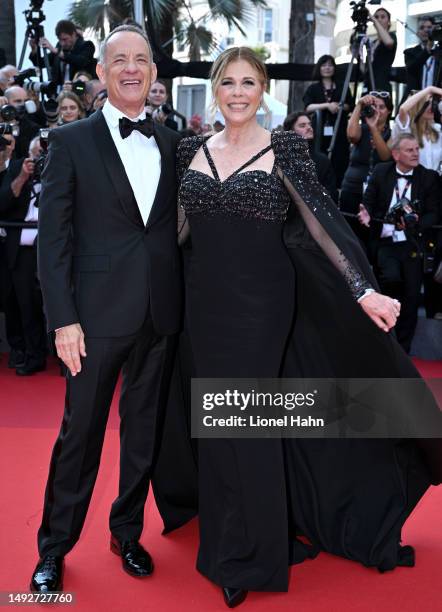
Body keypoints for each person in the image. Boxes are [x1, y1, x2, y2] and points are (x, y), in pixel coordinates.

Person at [175, 46, 441, 608]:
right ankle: (234, 537)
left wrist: (362, 288)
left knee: (240, 420)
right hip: (204, 305)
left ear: (262, 88)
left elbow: (323, 226)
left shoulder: (285, 149)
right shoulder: (189, 151)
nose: (239, 92)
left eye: (250, 82)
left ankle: (249, 555)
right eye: (229, 82)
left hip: (261, 306)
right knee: (217, 420)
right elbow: (175, 232)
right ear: (215, 88)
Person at [30, 24, 182, 593]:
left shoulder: (171, 143)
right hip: (92, 322)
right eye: (119, 60)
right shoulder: (70, 141)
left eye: (141, 59)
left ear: (154, 72)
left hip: (160, 316)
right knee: (80, 438)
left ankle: (127, 531)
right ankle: (53, 549)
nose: (131, 68)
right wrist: (63, 320)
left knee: (141, 436)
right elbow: (53, 242)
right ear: (102, 72)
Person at [358, 133, 440, 352]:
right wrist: (366, 214)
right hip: (385, 242)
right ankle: (384, 343)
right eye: (409, 150)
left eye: (416, 149)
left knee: (412, 297)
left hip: (413, 243)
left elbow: (435, 214)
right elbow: (368, 203)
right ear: (396, 154)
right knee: (390, 283)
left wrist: (415, 223)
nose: (415, 153)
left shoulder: (429, 177)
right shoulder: (380, 172)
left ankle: (402, 350)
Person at [0, 135, 47, 374]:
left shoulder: (60, 167)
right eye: (36, 153)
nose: (40, 158)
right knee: (24, 304)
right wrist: (23, 177)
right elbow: (2, 203)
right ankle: (32, 355)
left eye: (44, 153)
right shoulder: (19, 167)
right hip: (22, 249)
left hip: (53, 247)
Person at [340, 92, 392, 245]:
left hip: (377, 191)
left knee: (371, 233)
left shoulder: (393, 133)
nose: (377, 110)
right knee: (348, 232)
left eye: (382, 107)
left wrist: (374, 128)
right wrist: (359, 105)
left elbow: (385, 156)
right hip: (353, 187)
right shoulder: (362, 128)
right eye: (374, 107)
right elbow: (351, 136)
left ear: (389, 111)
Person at [303, 54, 353, 186]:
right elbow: (308, 107)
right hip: (318, 130)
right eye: (324, 65)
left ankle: (338, 187)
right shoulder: (313, 88)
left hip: (339, 130)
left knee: (340, 157)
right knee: (319, 155)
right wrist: (327, 105)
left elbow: (350, 106)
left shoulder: (342, 87)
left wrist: (339, 106)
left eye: (330, 65)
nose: (327, 68)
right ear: (319, 68)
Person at [283, 110, 338, 202]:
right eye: (302, 125)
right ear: (290, 132)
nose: (309, 128)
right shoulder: (282, 158)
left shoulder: (323, 161)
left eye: (309, 124)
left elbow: (331, 194)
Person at [29, 20, 96, 88]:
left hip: (80, 91)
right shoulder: (59, 48)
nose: (62, 43)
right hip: (60, 94)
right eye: (60, 40)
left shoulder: (87, 45)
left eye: (65, 39)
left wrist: (57, 52)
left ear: (73, 34)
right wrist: (34, 50)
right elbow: (41, 63)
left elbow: (81, 61)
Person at [392, 85, 442, 172]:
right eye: (426, 104)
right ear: (416, 107)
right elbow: (403, 109)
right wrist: (430, 89)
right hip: (414, 181)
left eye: (432, 103)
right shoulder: (406, 130)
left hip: (435, 181)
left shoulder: (437, 130)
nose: (432, 107)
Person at [403, 16, 441, 100]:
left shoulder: (440, 52)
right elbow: (411, 69)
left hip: (435, 100)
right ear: (417, 32)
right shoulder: (409, 52)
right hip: (414, 99)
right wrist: (427, 49)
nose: (426, 30)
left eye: (429, 27)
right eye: (422, 27)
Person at [364, 7, 397, 94]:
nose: (379, 19)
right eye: (377, 17)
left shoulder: (391, 36)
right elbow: (366, 69)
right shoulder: (373, 42)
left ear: (389, 22)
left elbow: (388, 42)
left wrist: (373, 19)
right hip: (368, 86)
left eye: (383, 17)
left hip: (381, 87)